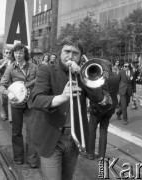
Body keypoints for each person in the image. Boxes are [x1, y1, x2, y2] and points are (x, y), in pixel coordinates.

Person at [30, 36, 105, 180]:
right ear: (60, 52)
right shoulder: (47, 70)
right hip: (51, 137)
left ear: (80, 56)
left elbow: (99, 98)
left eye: (75, 53)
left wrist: (83, 76)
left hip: (74, 138)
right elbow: (36, 100)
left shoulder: (84, 74)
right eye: (67, 51)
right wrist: (61, 97)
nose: (70, 56)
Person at [0, 44, 38, 167]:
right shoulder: (10, 68)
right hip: (16, 103)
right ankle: (18, 156)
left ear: (25, 54)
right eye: (16, 53)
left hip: (31, 103)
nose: (18, 55)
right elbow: (1, 85)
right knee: (16, 131)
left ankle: (31, 158)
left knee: (32, 131)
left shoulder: (34, 67)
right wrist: (8, 94)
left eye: (20, 53)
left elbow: (41, 82)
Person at [82, 61, 119, 160]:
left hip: (97, 108)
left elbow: (94, 92)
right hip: (110, 107)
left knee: (92, 129)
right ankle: (101, 155)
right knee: (104, 131)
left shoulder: (99, 79)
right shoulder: (116, 76)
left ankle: (90, 153)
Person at [0, 48, 13, 121]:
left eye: (10, 52)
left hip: (12, 83)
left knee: (11, 100)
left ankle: (11, 118)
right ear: (4, 53)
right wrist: (2, 65)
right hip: (3, 83)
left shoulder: (14, 61)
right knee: (3, 100)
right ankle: (4, 115)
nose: (8, 54)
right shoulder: (0, 61)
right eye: (7, 52)